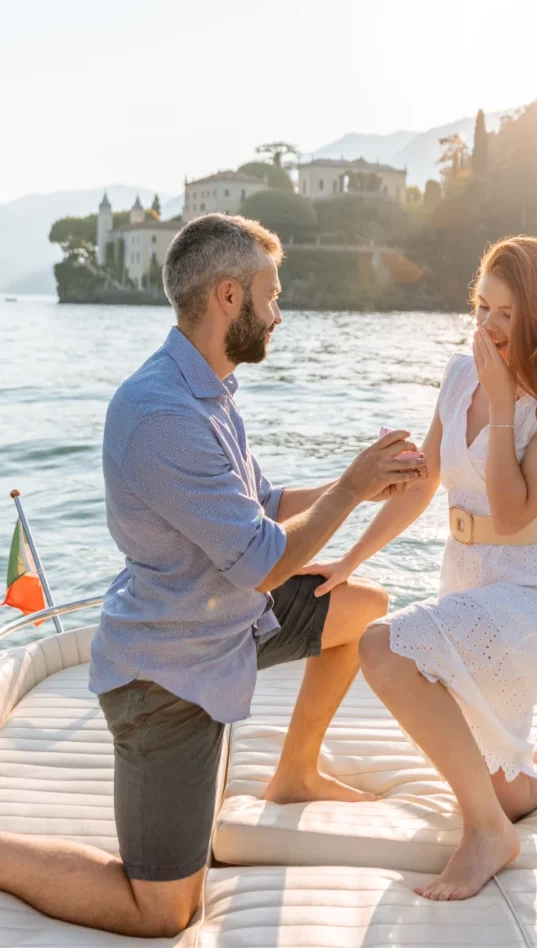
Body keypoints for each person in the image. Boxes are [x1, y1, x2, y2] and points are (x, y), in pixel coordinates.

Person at [0, 213, 426, 937]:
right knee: (162, 911)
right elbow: (261, 560)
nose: (279, 312)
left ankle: (295, 771)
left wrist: (360, 481)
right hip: (167, 677)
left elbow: (258, 508)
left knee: (360, 606)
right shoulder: (161, 413)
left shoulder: (206, 389)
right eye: (271, 293)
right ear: (229, 297)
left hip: (227, 622)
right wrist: (350, 489)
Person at [303, 236, 537, 901]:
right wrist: (348, 557)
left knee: (383, 647)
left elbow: (507, 513)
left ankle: (486, 836)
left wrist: (503, 406)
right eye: (481, 308)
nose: (488, 327)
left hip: (535, 593)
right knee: (514, 790)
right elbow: (421, 484)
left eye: (506, 313)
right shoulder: (457, 372)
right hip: (467, 577)